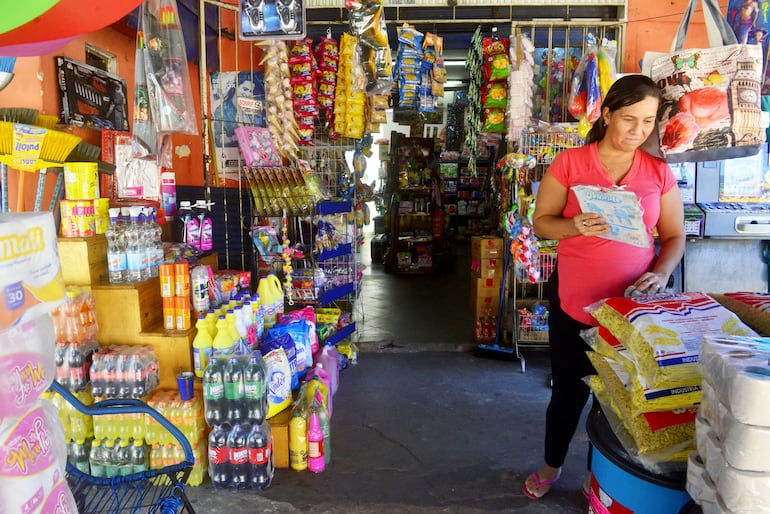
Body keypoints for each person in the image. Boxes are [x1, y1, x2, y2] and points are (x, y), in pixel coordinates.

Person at [522, 74, 685, 500]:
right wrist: (573, 226)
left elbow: (674, 236)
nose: (638, 130)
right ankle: (551, 465)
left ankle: (601, 478)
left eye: (648, 122)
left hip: (631, 310)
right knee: (568, 395)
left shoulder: (659, 173)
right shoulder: (571, 164)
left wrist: (663, 272)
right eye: (629, 119)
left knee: (617, 403)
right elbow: (542, 223)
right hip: (575, 304)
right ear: (607, 114)